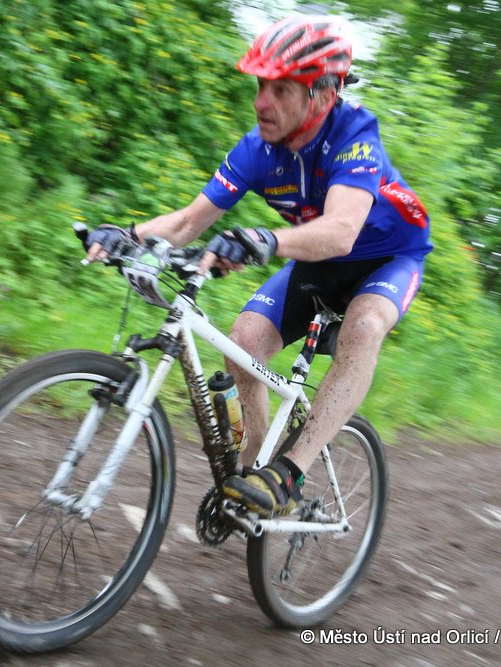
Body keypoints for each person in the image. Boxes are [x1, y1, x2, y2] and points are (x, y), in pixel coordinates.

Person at [84, 15, 432, 516]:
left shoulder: (355, 135)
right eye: (260, 86)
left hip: (388, 258)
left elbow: (341, 230)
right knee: (245, 339)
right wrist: (127, 235)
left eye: (281, 90)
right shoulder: (258, 149)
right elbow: (188, 222)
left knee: (364, 326)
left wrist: (264, 240)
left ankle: (290, 474)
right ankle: (252, 474)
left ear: (322, 95)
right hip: (317, 260)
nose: (261, 102)